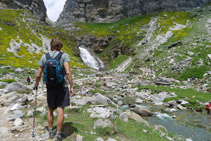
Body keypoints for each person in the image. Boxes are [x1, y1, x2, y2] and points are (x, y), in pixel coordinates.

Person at [34, 38, 74, 141]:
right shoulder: (64, 56)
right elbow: (68, 72)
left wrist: (36, 85)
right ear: (60, 46)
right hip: (62, 86)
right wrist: (72, 86)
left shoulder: (44, 57)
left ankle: (51, 132)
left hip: (50, 87)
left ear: (51, 46)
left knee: (50, 109)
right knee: (60, 109)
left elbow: (38, 74)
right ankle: (59, 135)